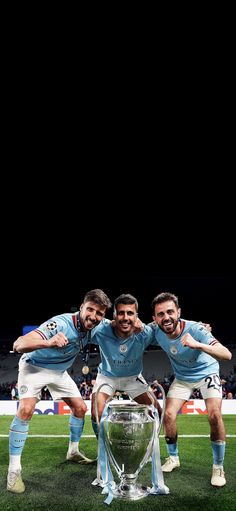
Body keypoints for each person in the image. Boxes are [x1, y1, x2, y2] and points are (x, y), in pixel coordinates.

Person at [7, 289, 112, 494]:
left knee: (80, 408)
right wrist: (49, 342)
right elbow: (19, 343)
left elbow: (120, 325)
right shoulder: (60, 323)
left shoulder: (97, 326)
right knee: (26, 409)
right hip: (34, 367)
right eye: (90, 309)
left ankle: (73, 451)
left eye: (99, 313)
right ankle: (14, 470)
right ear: (82, 307)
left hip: (59, 372)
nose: (93, 316)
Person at [149, 292, 232, 487]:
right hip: (183, 378)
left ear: (178, 312)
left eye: (170, 312)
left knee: (214, 415)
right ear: (154, 318)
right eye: (160, 314)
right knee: (168, 415)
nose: (166, 317)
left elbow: (226, 354)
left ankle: (218, 467)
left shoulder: (196, 329)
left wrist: (197, 344)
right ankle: (173, 458)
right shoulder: (155, 330)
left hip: (207, 373)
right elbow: (134, 326)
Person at [90, 294, 161, 435]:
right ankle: (103, 450)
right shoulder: (101, 329)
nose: (125, 317)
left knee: (156, 410)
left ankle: (148, 449)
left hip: (133, 379)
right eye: (121, 313)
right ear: (114, 315)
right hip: (107, 377)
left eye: (130, 313)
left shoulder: (145, 333)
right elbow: (79, 324)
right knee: (96, 412)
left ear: (136, 316)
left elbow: (167, 326)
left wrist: (196, 328)